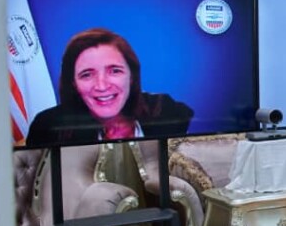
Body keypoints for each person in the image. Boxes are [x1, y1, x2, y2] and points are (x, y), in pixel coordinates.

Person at [26, 28, 194, 147]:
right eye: (87, 74)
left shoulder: (165, 110)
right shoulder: (48, 127)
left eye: (114, 71)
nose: (102, 86)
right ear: (73, 83)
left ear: (131, 76)